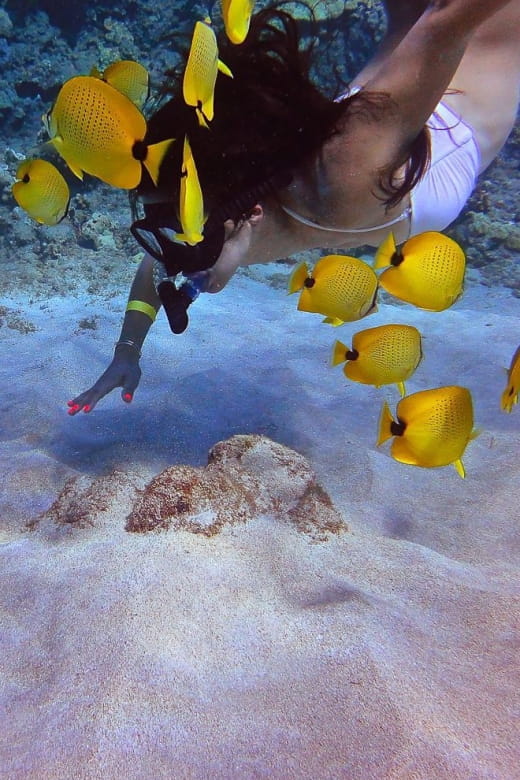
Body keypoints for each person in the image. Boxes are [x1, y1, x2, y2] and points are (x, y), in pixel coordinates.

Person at [67, 0, 520, 415]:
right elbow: (156, 264)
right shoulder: (222, 224)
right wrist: (127, 349)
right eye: (167, 230)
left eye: (185, 236)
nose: (177, 257)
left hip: (475, 81)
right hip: (389, 95)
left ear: (250, 215)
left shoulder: (345, 172)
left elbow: (448, 21)